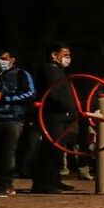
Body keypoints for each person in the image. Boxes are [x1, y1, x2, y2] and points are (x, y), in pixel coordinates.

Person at [0, 49, 34, 197]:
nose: (1, 61)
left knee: (7, 153)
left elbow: (30, 93)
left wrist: (3, 97)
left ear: (12, 59)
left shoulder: (21, 74)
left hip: (12, 118)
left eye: (4, 58)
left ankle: (5, 184)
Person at [31, 42, 77, 194]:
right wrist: (69, 108)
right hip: (52, 115)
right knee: (50, 149)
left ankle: (54, 180)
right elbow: (55, 92)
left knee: (58, 149)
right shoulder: (50, 69)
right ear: (54, 55)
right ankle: (42, 183)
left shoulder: (58, 70)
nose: (68, 58)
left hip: (60, 115)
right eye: (65, 55)